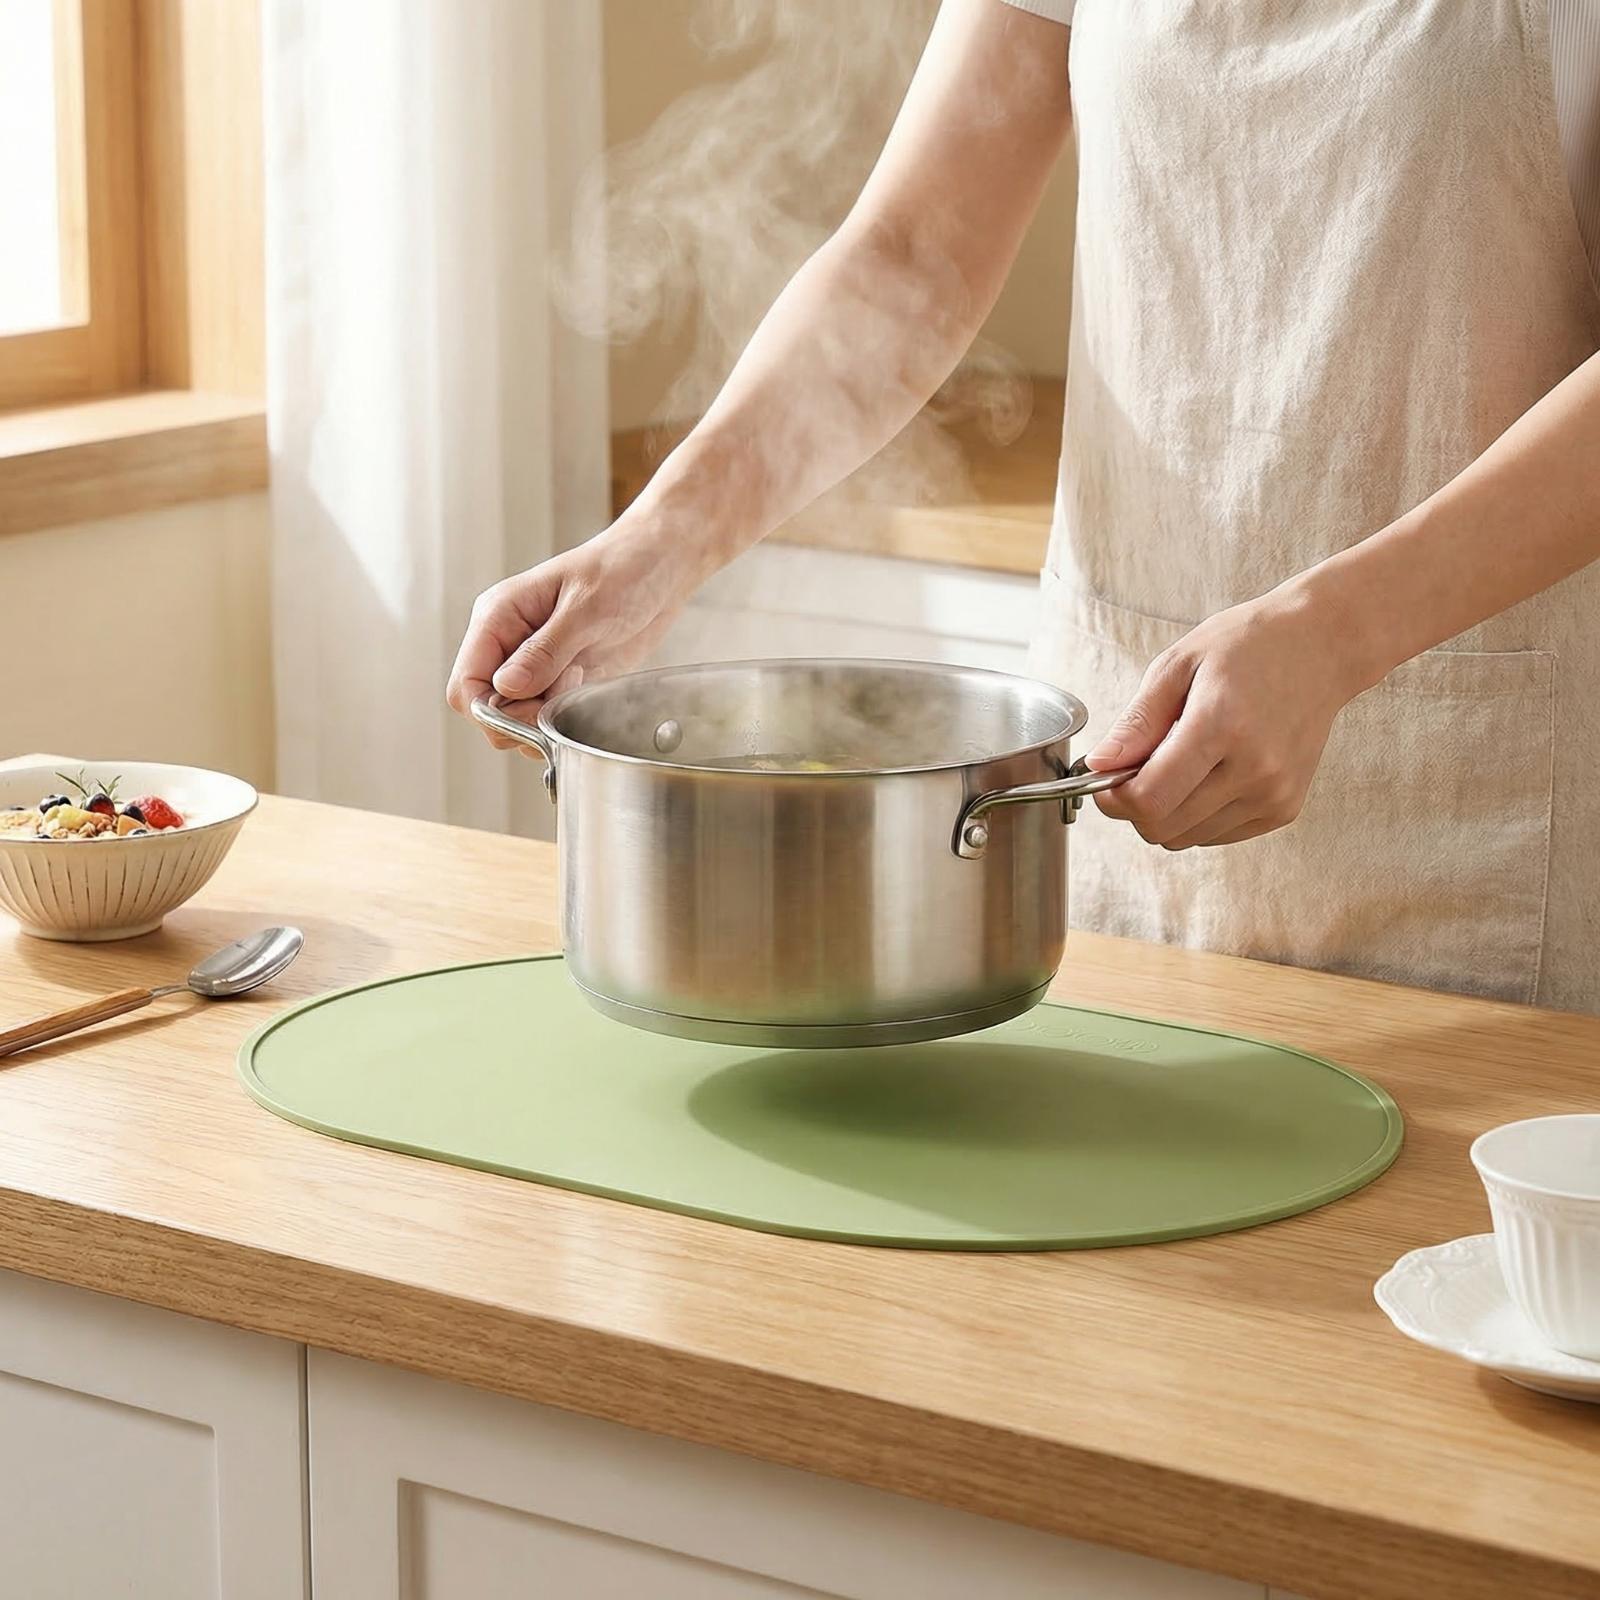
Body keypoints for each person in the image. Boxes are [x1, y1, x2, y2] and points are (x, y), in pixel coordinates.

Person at [449, 0, 1600, 1012]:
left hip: (1478, 831)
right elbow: (912, 257)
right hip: (1119, 803)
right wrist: (651, 549)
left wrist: (1338, 633)